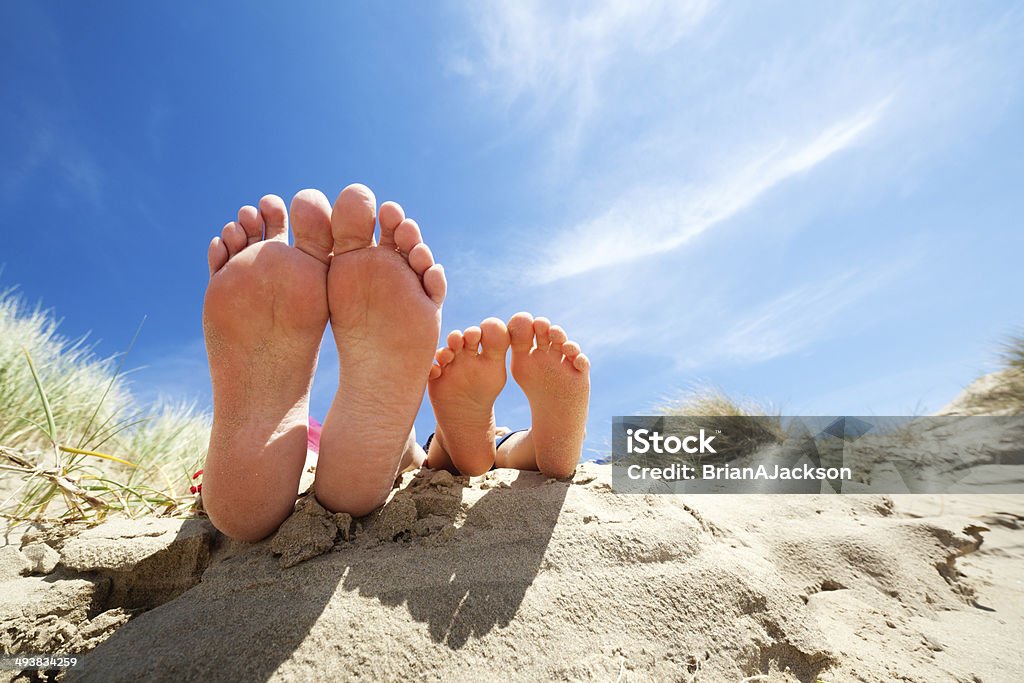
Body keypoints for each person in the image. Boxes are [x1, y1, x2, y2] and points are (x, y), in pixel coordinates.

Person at [200, 184, 589, 542]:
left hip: (309, 456)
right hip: (359, 447)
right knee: (488, 450)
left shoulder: (312, 434)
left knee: (428, 450)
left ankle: (448, 443)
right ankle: (528, 444)